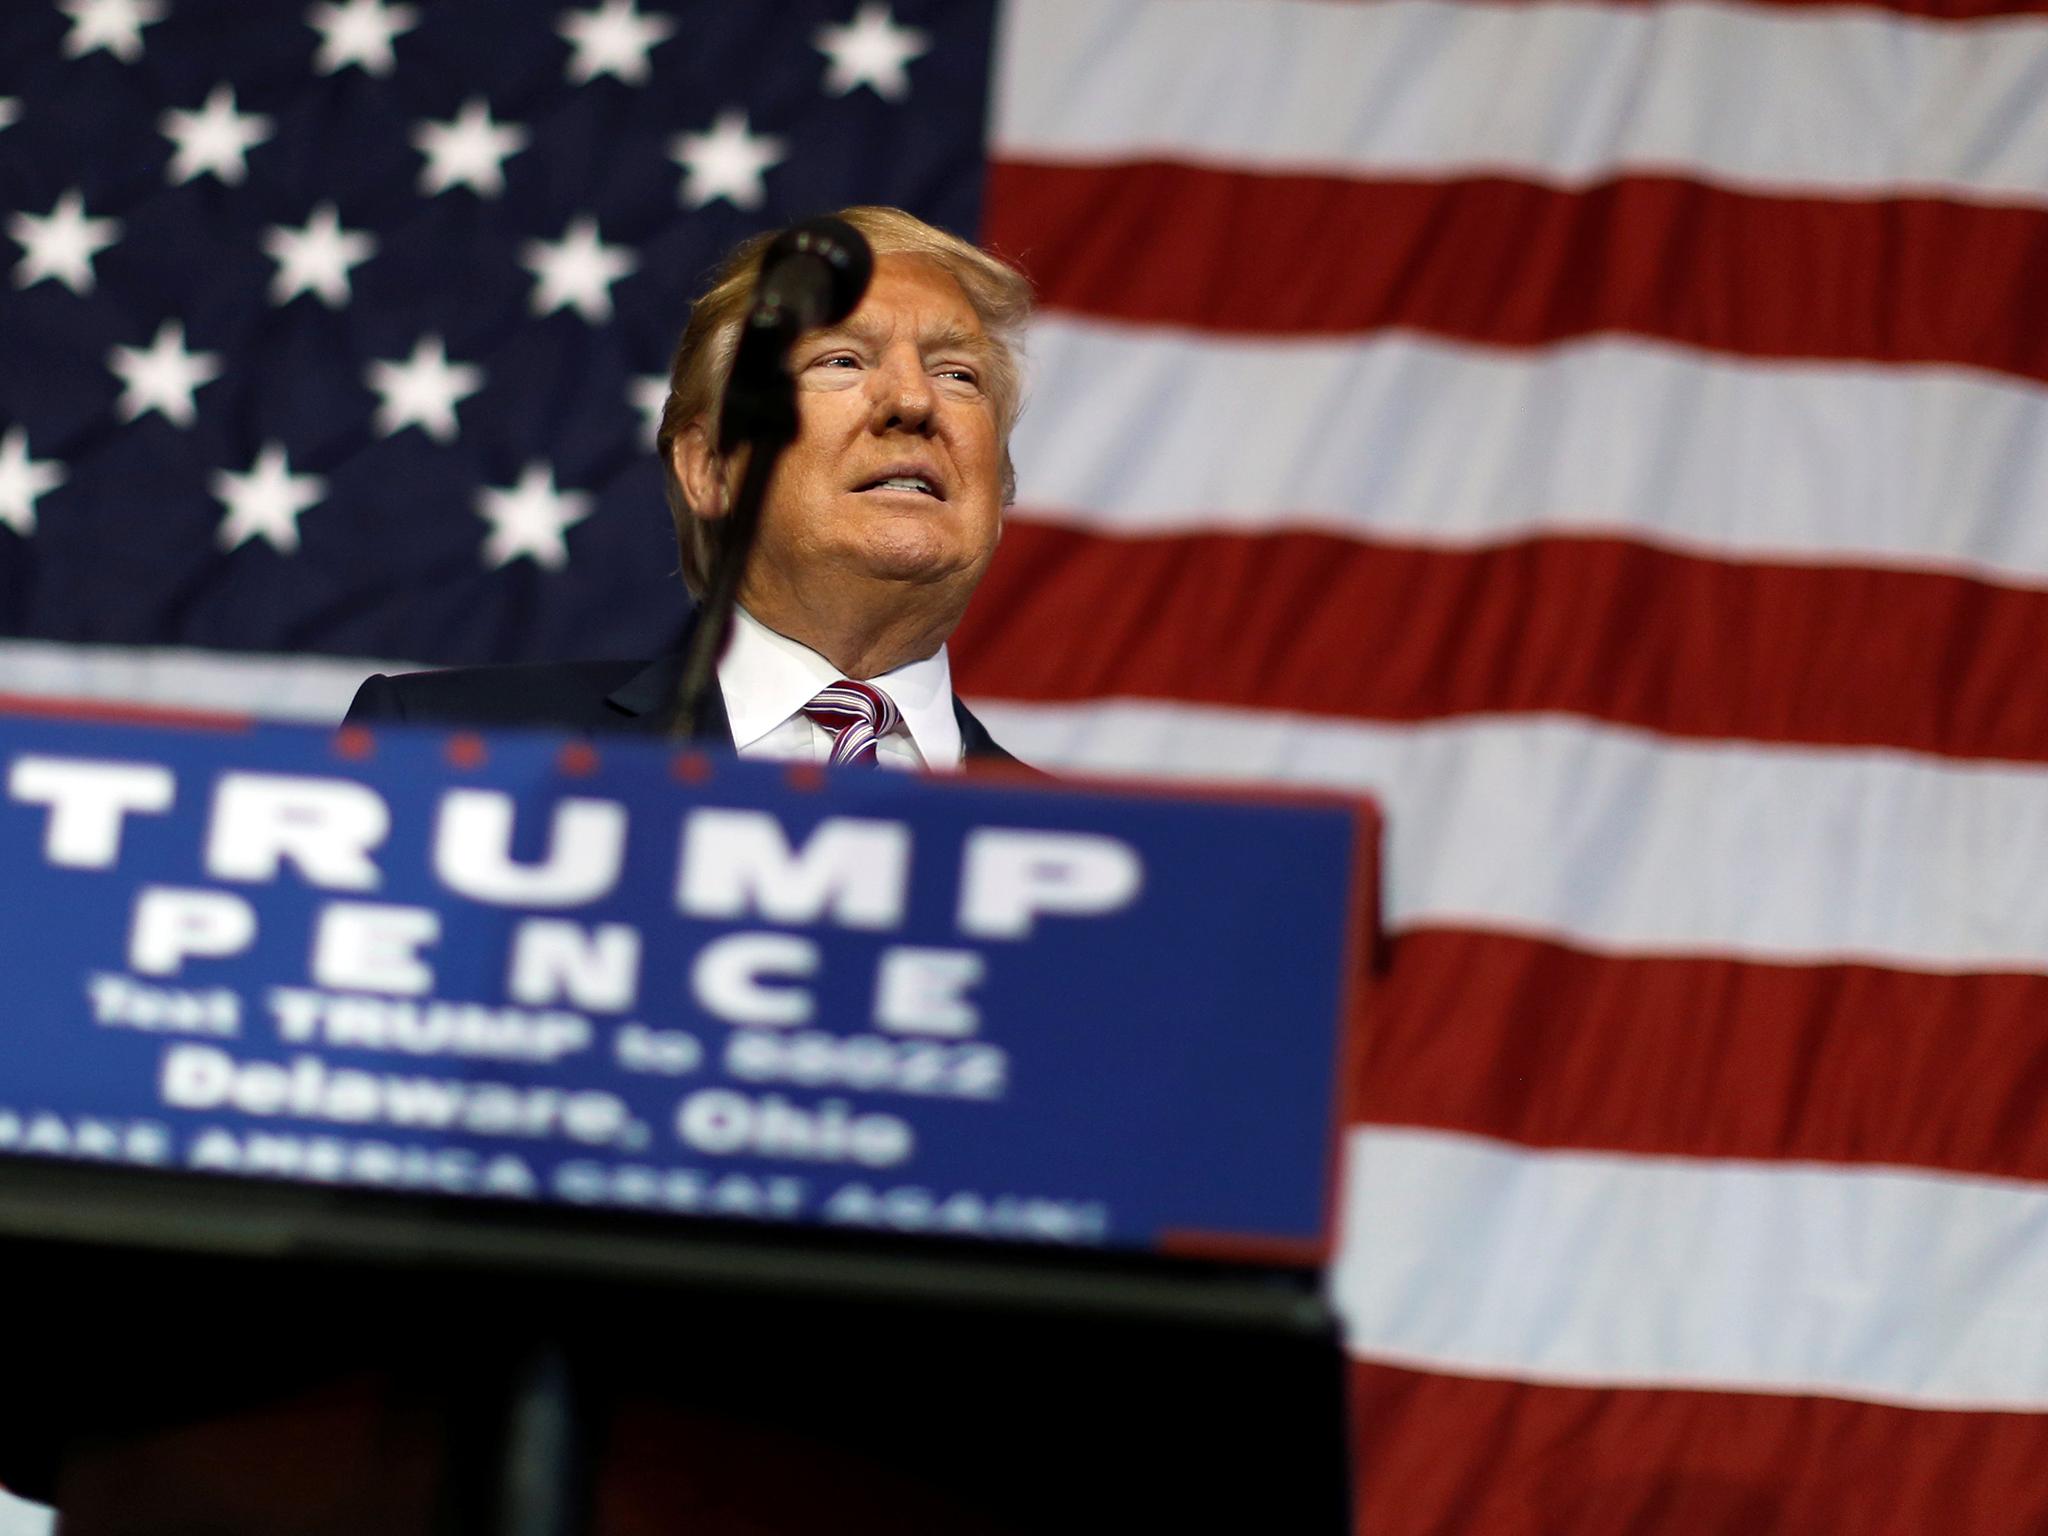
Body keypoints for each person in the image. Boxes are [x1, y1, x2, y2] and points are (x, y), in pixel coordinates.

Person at [344, 205, 1034, 774]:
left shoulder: (1102, 861)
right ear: (710, 468)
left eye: (958, 376)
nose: (914, 400)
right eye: (842, 359)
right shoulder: (444, 751)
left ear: (998, 486)